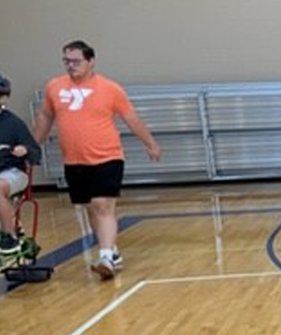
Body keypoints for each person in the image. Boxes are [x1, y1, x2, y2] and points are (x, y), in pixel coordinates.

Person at [32, 39, 161, 279]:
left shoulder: (109, 88)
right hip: (74, 160)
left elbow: (131, 118)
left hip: (107, 156)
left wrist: (150, 144)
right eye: (66, 61)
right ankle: (110, 250)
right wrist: (32, 147)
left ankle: (105, 257)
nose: (71, 66)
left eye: (76, 61)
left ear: (91, 61)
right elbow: (45, 117)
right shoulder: (54, 87)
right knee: (92, 208)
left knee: (103, 205)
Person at [0, 75, 41, 257]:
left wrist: (24, 150)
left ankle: (11, 236)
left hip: (12, 172)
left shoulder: (13, 123)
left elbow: (35, 151)